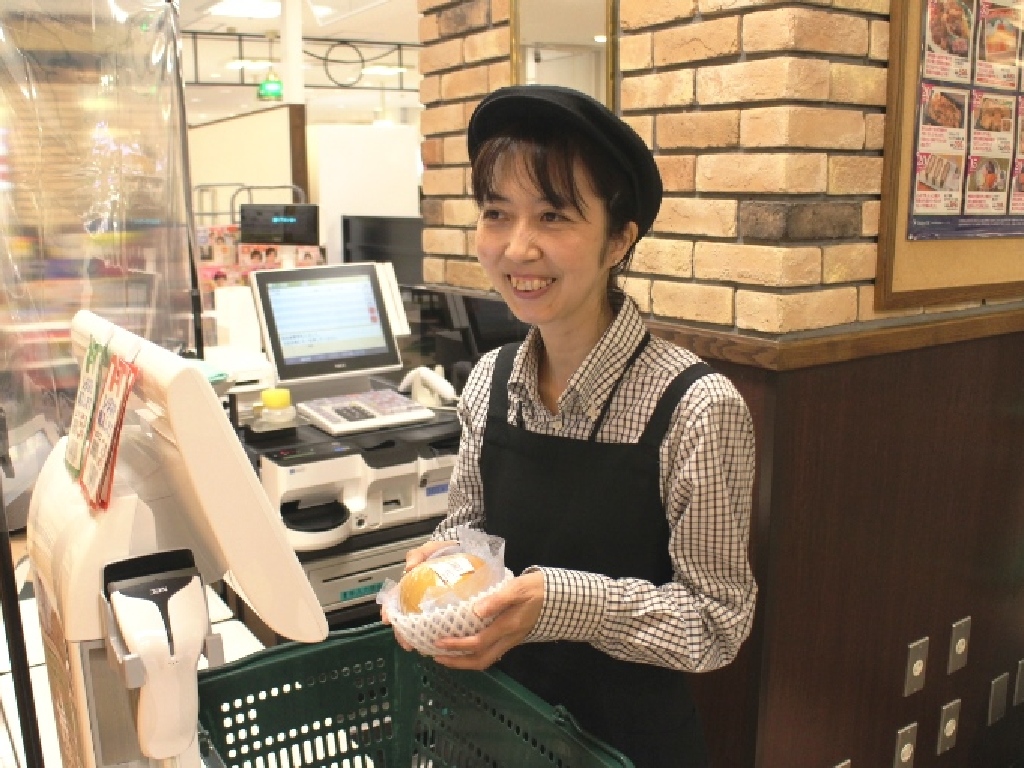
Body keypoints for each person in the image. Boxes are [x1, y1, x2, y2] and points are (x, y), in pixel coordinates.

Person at [384, 85, 757, 768]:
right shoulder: (490, 381)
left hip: (626, 748)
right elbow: (465, 532)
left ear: (620, 239)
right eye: (497, 213)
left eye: (553, 216)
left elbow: (716, 621)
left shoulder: (696, 407)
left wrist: (557, 600)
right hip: (494, 732)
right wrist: (437, 569)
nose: (517, 248)